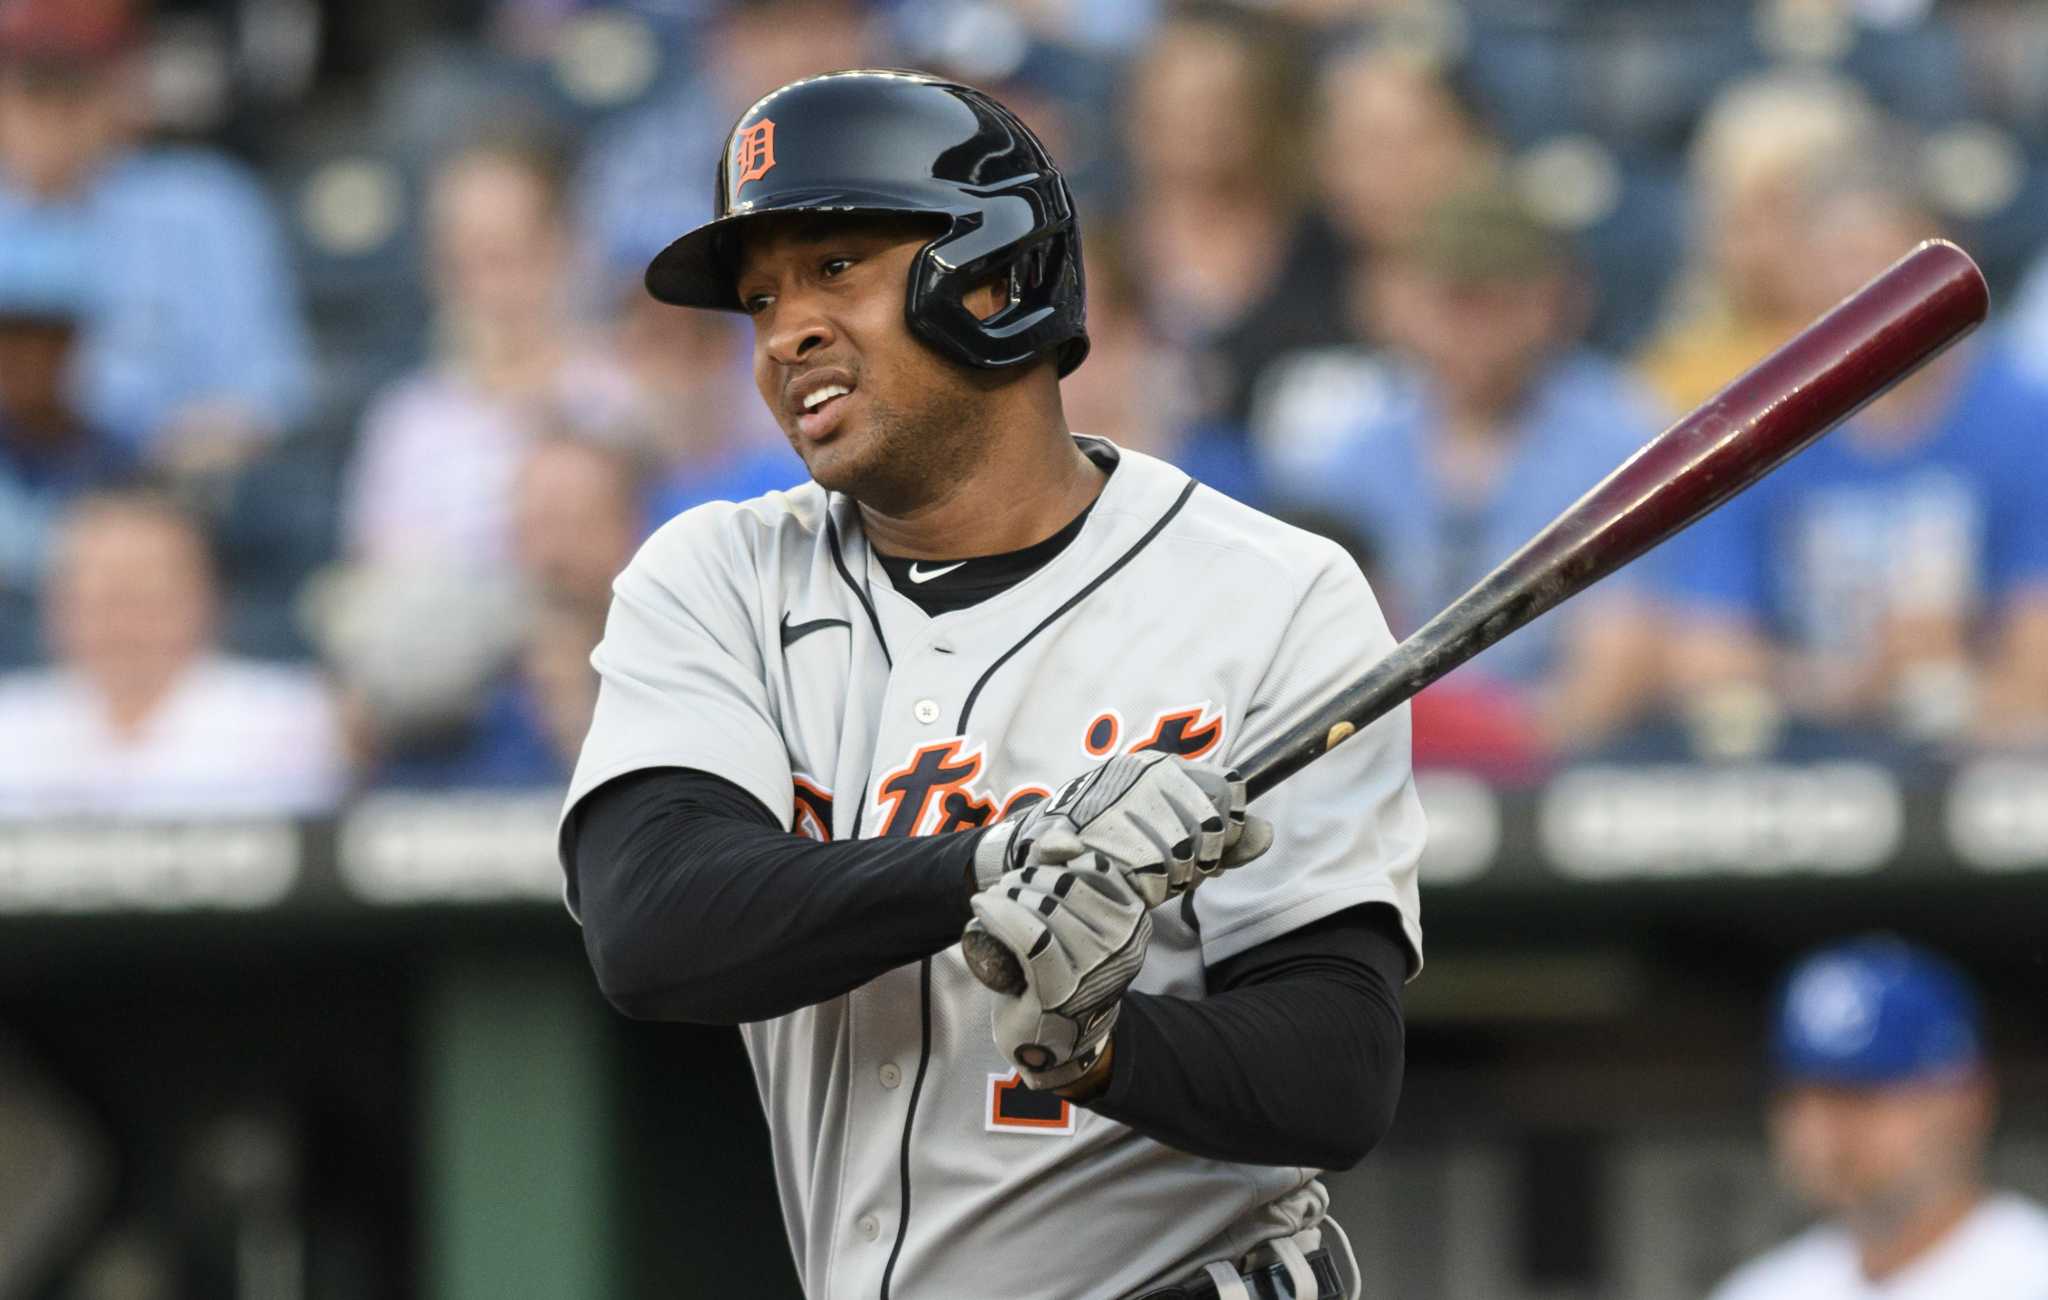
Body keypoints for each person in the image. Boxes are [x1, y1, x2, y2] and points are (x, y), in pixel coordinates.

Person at [561, 71, 1422, 1300]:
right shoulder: (719, 578)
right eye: (759, 298)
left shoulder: (1268, 594)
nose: (783, 331)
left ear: (993, 272)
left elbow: (1334, 1073)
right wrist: (1001, 859)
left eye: (837, 266)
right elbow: (652, 924)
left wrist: (1103, 1045)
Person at [1262, 184, 1670, 755]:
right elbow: (1314, 656)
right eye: (1455, 300)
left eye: (1498, 302)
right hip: (1389, 758)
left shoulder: (1616, 437)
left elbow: (1619, 658)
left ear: (1550, 302)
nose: (1474, 331)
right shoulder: (1357, 452)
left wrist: (1503, 765)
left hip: (1556, 766)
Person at [1665, 163, 2048, 753]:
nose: (1861, 293)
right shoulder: (1752, 424)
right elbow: (1705, 658)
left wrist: (1950, 682)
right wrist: (1842, 682)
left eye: (1883, 265)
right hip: (1809, 758)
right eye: (1834, 264)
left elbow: (2037, 667)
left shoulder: (2022, 419)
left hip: (1981, 755)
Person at [0, 0, 312, 469]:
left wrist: (172, 453)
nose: (54, 119)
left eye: (75, 90)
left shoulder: (204, 204)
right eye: (32, 91)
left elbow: (271, 393)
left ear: (125, 87)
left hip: (156, 493)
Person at [341, 127, 640, 575]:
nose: (488, 286)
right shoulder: (407, 423)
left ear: (561, 247)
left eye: (508, 253)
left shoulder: (624, 391)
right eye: (463, 260)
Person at [1709, 936, 2048, 1300]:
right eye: (1800, 1096)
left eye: (1859, 1094)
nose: (1821, 1128)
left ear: (1968, 1100)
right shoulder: (1760, 1291)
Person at [0, 491, 345, 818]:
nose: (119, 617)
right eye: (96, 593)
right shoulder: (10, 722)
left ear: (206, 595)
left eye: (141, 592)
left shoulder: (289, 718)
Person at [0, 204, 126, 668]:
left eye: (47, 340)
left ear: (75, 344)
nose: (28, 359)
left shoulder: (119, 459)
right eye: (11, 340)